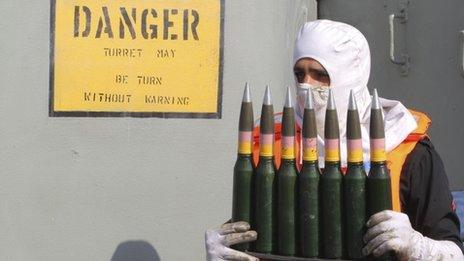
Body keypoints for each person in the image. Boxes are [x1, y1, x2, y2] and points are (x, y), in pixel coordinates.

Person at [205, 19, 464, 260]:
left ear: (350, 77)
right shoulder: (269, 141)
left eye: (320, 74)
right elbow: (258, 230)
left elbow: (454, 251)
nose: (306, 85)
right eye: (299, 74)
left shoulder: (406, 148)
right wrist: (225, 249)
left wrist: (417, 246)